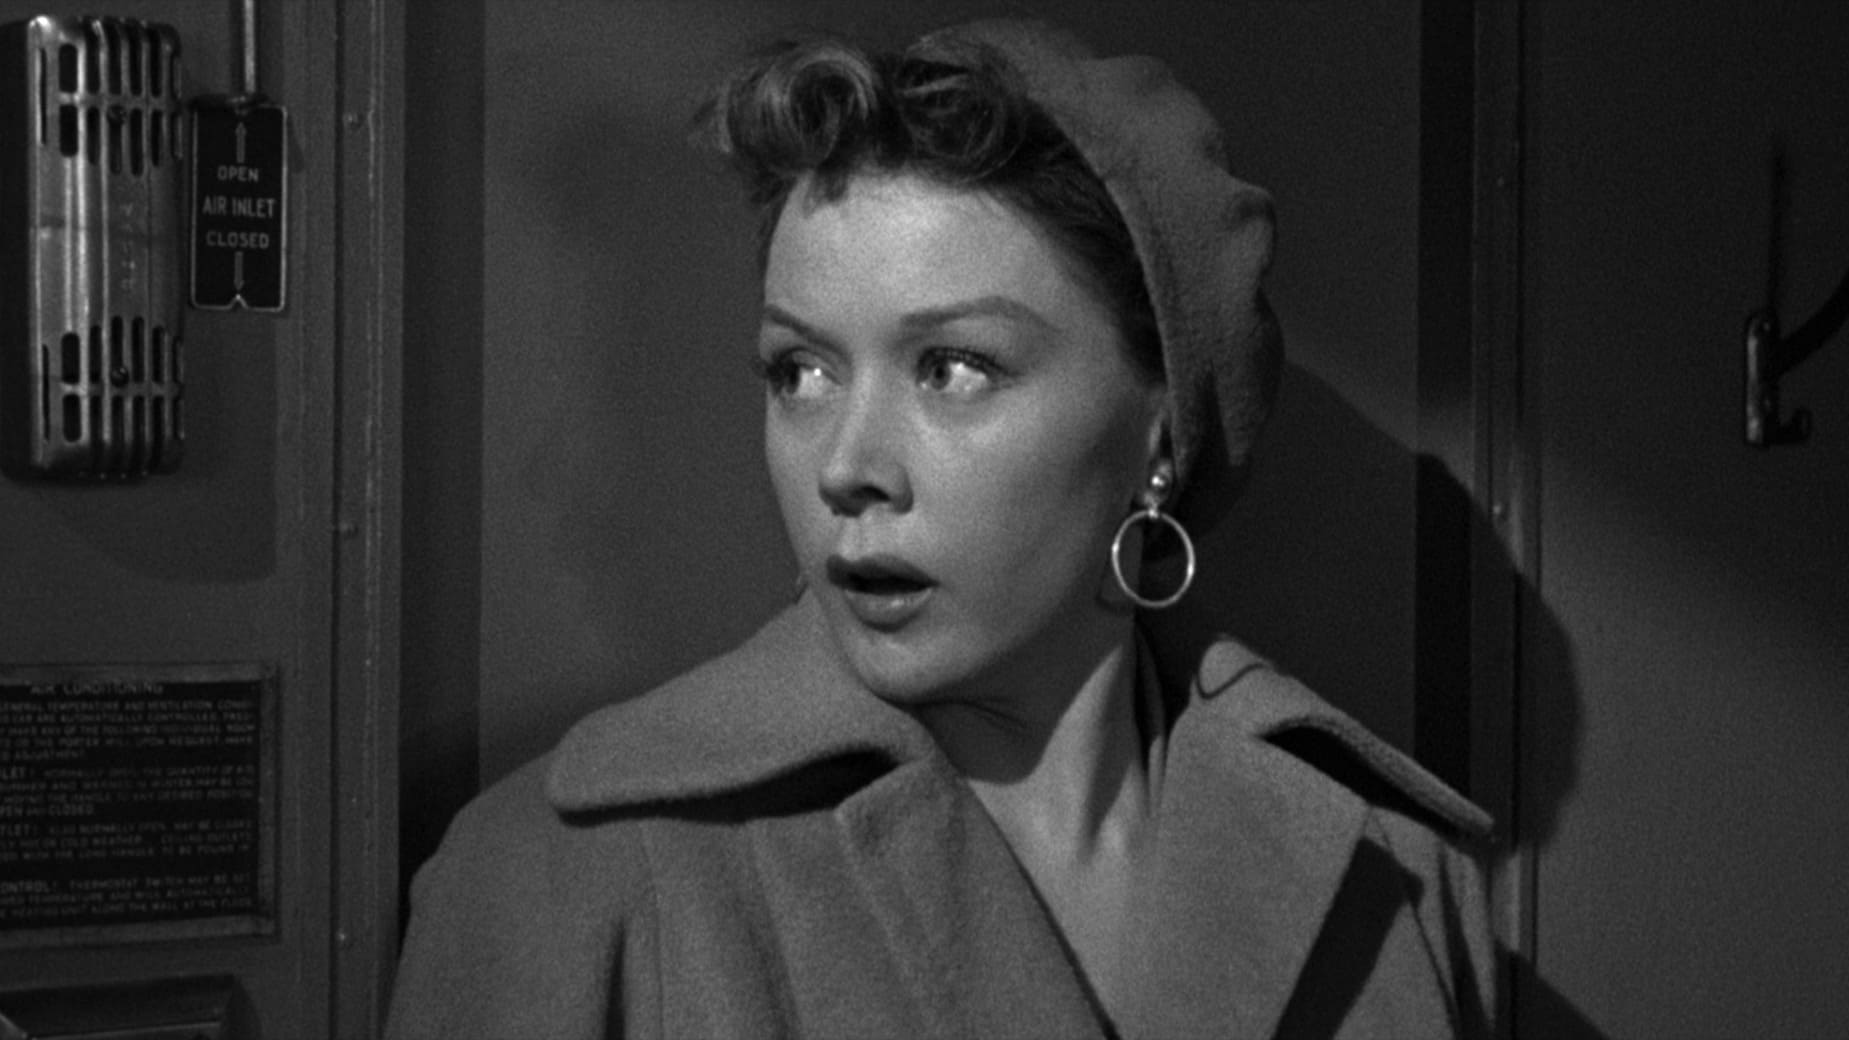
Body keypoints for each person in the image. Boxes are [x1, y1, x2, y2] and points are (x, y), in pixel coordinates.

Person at [386, 18, 1496, 1040]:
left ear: (1159, 430)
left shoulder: (1390, 875)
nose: (847, 466)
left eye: (953, 368)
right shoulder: (564, 883)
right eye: (800, 370)